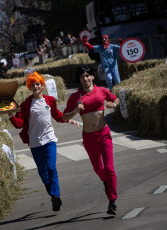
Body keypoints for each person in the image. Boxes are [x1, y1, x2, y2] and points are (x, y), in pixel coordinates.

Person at [8, 70, 79, 212]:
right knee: (42, 172)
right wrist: (11, 115)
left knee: (51, 167)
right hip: (35, 142)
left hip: (49, 139)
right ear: (30, 87)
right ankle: (51, 191)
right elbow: (19, 124)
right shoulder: (26, 104)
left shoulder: (50, 100)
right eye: (33, 85)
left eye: (38, 84)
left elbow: (57, 115)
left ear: (42, 85)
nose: (36, 87)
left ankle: (56, 196)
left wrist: (69, 120)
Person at [62, 65, 119, 215]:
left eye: (87, 76)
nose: (85, 79)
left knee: (109, 168)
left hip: (104, 134)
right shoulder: (76, 97)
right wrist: (76, 110)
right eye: (82, 77)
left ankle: (112, 201)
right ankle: (105, 182)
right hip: (88, 137)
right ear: (79, 80)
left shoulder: (101, 91)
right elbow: (64, 117)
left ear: (92, 76)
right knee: (99, 169)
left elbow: (116, 99)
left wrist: (113, 104)